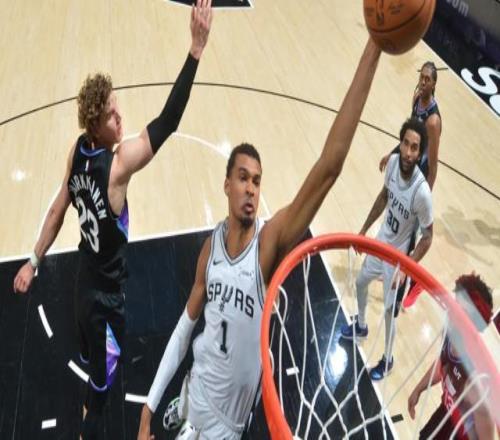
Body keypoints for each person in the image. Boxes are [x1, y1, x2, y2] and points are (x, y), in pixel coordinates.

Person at [137, 39, 383, 439]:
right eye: (242, 178)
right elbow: (184, 330)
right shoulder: (211, 248)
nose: (251, 188)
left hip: (227, 424)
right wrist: (148, 407)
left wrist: (373, 48)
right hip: (197, 386)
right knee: (199, 361)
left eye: (257, 181)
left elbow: (329, 167)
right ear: (226, 185)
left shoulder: (269, 243)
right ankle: (180, 405)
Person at [12, 1, 213, 437]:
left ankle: (89, 366)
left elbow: (57, 209)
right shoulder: (117, 167)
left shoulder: (78, 151)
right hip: (105, 298)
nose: (120, 118)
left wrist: (33, 260)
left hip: (82, 281)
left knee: (88, 348)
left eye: (117, 107)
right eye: (110, 115)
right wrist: (195, 52)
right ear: (94, 125)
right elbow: (168, 122)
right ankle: (88, 428)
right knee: (103, 383)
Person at [340, 117, 433, 381]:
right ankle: (361, 326)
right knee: (360, 282)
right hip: (381, 242)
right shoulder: (392, 163)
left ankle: (388, 359)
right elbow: (383, 196)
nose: (408, 152)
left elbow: (428, 237)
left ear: (419, 154)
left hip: (398, 259)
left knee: (390, 313)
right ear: (400, 143)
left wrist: (407, 268)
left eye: (414, 148)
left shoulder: (422, 193)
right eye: (405, 144)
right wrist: (363, 230)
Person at [408, 273, 495, 439]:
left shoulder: (476, 382)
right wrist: (419, 388)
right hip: (446, 415)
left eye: (460, 309)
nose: (452, 309)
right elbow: (442, 364)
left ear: (473, 322)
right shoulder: (451, 334)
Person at [379, 61, 442, 190]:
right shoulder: (416, 98)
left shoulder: (433, 122)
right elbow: (409, 135)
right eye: (421, 77)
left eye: (427, 79)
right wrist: (391, 154)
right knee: (387, 192)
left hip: (419, 173)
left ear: (433, 84)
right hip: (407, 161)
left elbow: (433, 166)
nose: (423, 82)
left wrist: (426, 194)